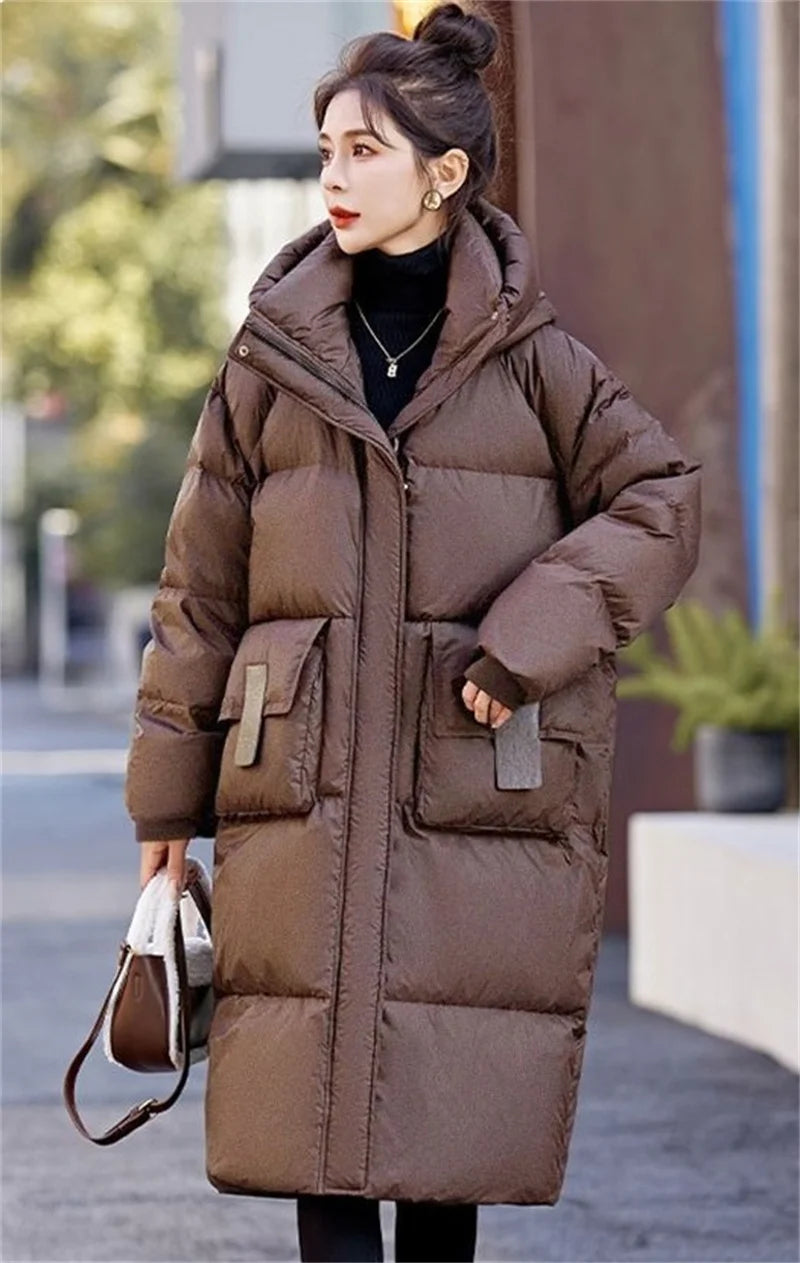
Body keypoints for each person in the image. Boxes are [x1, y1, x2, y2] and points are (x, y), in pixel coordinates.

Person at [126, 3, 702, 1260]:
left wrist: (526, 638)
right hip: (298, 782)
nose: (332, 177)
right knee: (309, 1122)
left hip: (471, 776)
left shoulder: (536, 362)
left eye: (363, 152)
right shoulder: (271, 360)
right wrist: (165, 806)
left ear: (442, 175)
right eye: (325, 151)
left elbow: (659, 501)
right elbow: (199, 592)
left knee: (446, 1121)